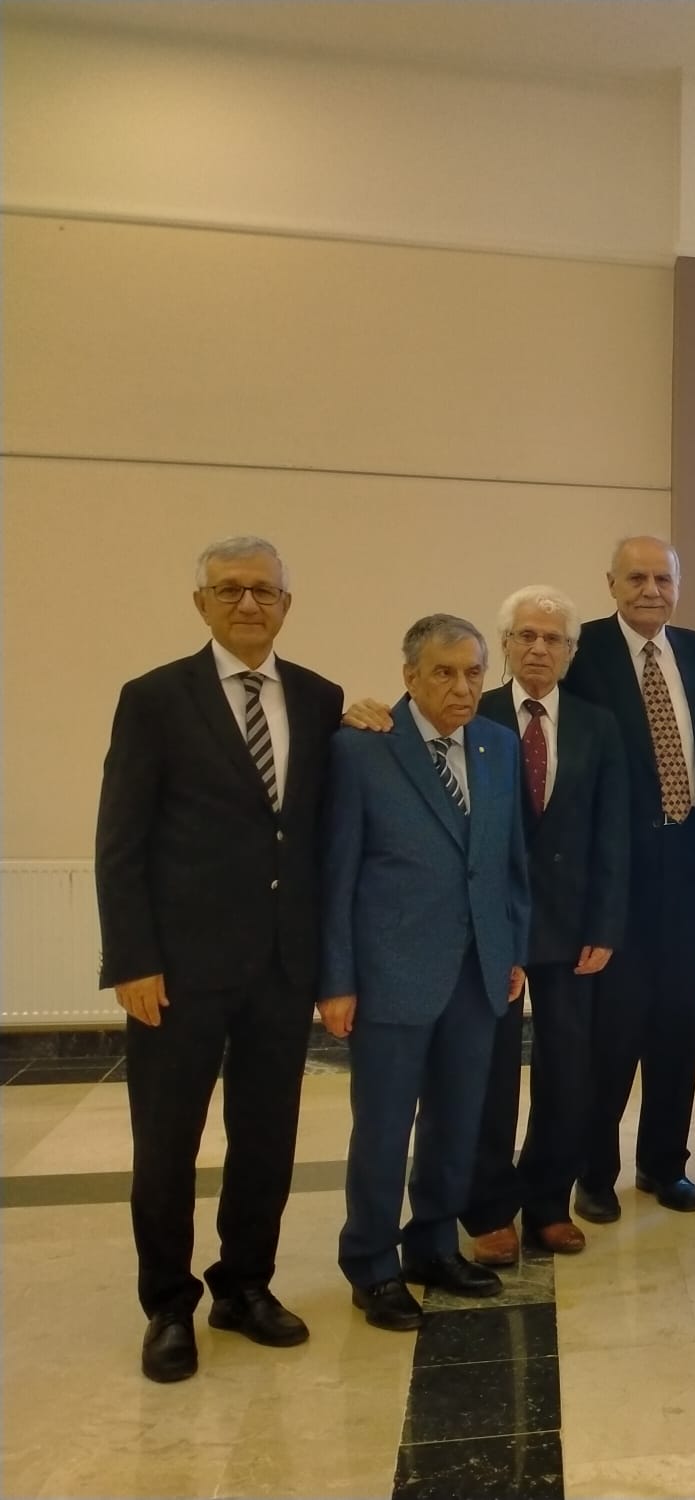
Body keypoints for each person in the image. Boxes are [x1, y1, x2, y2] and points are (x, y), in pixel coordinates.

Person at [95, 536, 344, 1383]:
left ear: (286, 604)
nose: (248, 604)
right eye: (230, 589)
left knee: (267, 1137)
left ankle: (245, 1285)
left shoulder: (318, 698)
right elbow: (120, 840)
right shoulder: (155, 699)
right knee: (168, 1143)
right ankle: (168, 1305)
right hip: (179, 969)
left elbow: (314, 829)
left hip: (281, 964)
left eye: (264, 591)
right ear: (200, 602)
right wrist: (131, 957)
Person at [320, 615, 531, 1331]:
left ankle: (433, 1245)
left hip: (478, 971)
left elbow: (508, 861)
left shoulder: (498, 746)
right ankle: (371, 1264)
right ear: (409, 677)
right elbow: (337, 873)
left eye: (473, 672)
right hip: (391, 974)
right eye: (444, 672)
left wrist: (512, 948)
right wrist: (337, 979)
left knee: (457, 1121)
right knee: (383, 1129)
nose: (462, 687)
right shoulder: (362, 749)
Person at [460, 586, 629, 1266]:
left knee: (568, 1069)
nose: (538, 648)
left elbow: (613, 831)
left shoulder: (597, 725)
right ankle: (488, 1208)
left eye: (552, 638)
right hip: (490, 927)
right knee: (490, 1072)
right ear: (504, 645)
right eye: (525, 636)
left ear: (570, 651)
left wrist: (606, 925)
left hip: (572, 928)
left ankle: (549, 1203)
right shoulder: (474, 715)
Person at [563, 537, 695, 1220]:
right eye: (636, 577)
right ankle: (594, 1173)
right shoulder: (583, 651)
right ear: (611, 583)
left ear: (678, 585)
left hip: (690, 863)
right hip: (618, 868)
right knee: (614, 1030)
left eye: (663, 577)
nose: (650, 590)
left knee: (677, 1027)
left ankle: (664, 1164)